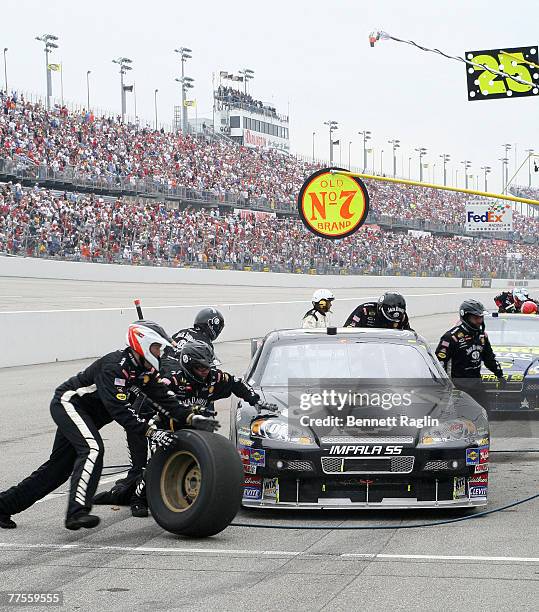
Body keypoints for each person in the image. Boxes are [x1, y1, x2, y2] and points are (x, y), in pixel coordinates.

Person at [0, 321, 191, 531]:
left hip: (86, 416)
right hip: (68, 403)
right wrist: (152, 432)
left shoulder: (141, 370)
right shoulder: (114, 366)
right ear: (144, 344)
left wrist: (191, 417)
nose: (160, 352)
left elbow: (164, 399)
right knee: (92, 449)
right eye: (157, 347)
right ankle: (77, 512)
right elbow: (119, 411)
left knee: (57, 471)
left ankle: (3, 505)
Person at [124, 340, 276, 515]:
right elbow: (152, 400)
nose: (205, 371)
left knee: (202, 462)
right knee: (156, 464)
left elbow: (237, 383)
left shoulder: (215, 377)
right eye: (200, 367)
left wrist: (255, 400)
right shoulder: (172, 380)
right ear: (189, 365)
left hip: (193, 429)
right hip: (163, 426)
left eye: (207, 367)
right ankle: (138, 499)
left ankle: (191, 496)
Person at [108, 307, 226, 516]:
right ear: (214, 327)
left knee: (150, 452)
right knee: (157, 455)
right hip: (159, 400)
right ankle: (136, 493)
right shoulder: (203, 347)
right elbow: (205, 385)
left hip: (150, 393)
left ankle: (140, 483)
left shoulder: (181, 334)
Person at [435, 300, 504, 407]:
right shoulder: (451, 337)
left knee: (484, 414)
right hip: (457, 387)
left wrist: (499, 375)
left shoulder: (482, 336)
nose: (479, 321)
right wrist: (444, 387)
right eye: (476, 318)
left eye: (481, 317)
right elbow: (438, 364)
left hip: (477, 385)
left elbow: (489, 358)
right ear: (466, 317)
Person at [344, 292, 411, 330]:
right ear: (380, 309)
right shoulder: (365, 311)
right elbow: (348, 331)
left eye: (395, 321)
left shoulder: (402, 317)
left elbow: (408, 334)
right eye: (389, 320)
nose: (392, 323)